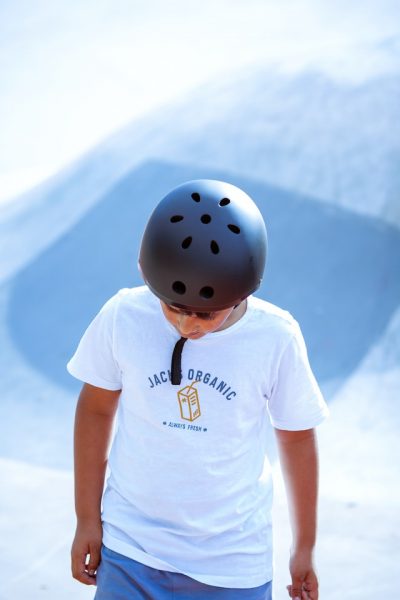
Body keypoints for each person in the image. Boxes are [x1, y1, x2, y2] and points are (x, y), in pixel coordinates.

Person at [68, 179, 329, 600]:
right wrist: (86, 518)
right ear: (145, 271)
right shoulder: (123, 317)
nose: (190, 326)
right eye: (175, 308)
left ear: (245, 287)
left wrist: (304, 547)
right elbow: (96, 409)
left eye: (207, 314)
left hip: (231, 566)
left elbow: (297, 439)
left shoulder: (275, 337)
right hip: (130, 549)